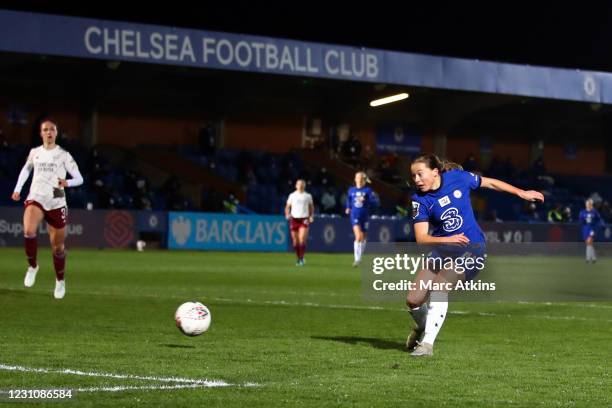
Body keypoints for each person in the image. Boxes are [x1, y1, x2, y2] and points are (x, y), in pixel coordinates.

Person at [407, 153, 543, 356]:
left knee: (439, 287)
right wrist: (447, 240)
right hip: (444, 249)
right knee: (414, 300)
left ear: (435, 172)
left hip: (472, 249)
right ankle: (423, 327)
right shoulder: (420, 200)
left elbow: (490, 183)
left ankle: (427, 345)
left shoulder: (457, 178)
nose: (416, 180)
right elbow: (421, 238)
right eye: (413, 176)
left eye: (420, 174)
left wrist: (521, 192)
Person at [11, 119, 83, 299]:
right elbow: (26, 170)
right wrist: (18, 189)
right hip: (36, 195)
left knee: (58, 248)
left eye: (52, 129)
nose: (49, 132)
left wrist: (67, 182)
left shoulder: (64, 155)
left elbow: (80, 178)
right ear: (41, 133)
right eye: (45, 129)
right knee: (28, 230)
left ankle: (60, 280)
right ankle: (32, 266)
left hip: (56, 198)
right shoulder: (34, 152)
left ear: (56, 133)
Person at [345, 171, 377, 267]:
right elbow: (348, 200)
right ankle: (357, 259)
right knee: (358, 236)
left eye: (361, 178)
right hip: (355, 215)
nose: (359, 179)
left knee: (363, 237)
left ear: (364, 180)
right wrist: (348, 207)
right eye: (357, 177)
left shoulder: (368, 190)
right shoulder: (351, 190)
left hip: (365, 215)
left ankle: (360, 256)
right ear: (355, 179)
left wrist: (366, 199)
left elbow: (374, 202)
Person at [285, 179, 314, 266]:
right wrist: (287, 214)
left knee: (302, 239)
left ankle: (301, 259)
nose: (300, 185)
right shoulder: (292, 195)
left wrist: (311, 216)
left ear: (304, 186)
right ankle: (299, 257)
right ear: (296, 185)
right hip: (294, 219)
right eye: (299, 184)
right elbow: (287, 207)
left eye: (302, 184)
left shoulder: (308, 196)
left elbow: (311, 207)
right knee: (295, 241)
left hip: (304, 219)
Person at [579, 198, 604, 263]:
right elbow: (581, 221)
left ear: (591, 204)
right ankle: (594, 258)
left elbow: (599, 219)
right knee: (588, 243)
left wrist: (601, 224)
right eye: (586, 204)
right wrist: (582, 220)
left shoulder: (594, 212)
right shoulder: (582, 212)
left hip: (592, 229)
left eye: (589, 204)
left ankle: (587, 259)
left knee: (589, 242)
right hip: (585, 229)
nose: (587, 205)